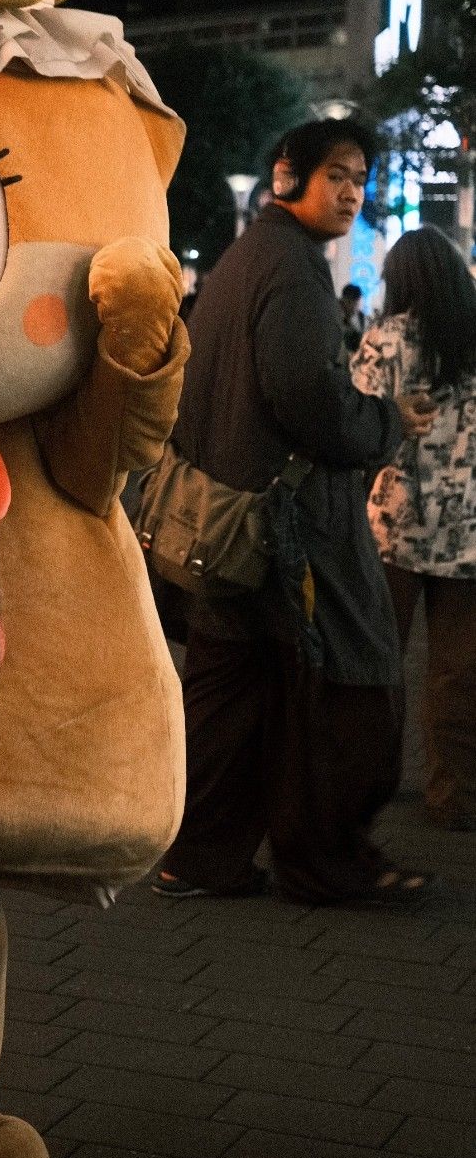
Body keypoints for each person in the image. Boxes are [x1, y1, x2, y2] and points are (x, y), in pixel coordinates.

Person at [155, 118, 437, 906]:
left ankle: (197, 859)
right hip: (284, 528)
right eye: (337, 174)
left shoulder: (244, 260)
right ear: (288, 175)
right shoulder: (290, 267)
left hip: (220, 520)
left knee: (228, 694)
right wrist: (384, 422)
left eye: (359, 180)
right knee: (349, 684)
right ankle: (331, 862)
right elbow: (306, 396)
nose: (350, 193)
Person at [352, 226, 476, 831]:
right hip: (470, 535)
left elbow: (355, 419)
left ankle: (368, 782)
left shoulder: (388, 340)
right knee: (458, 670)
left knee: (380, 659)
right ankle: (452, 795)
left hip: (394, 527)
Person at [339, 280, 366, 354]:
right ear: (344, 300)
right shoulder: (335, 316)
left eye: (357, 302)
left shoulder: (361, 317)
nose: (355, 307)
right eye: (352, 302)